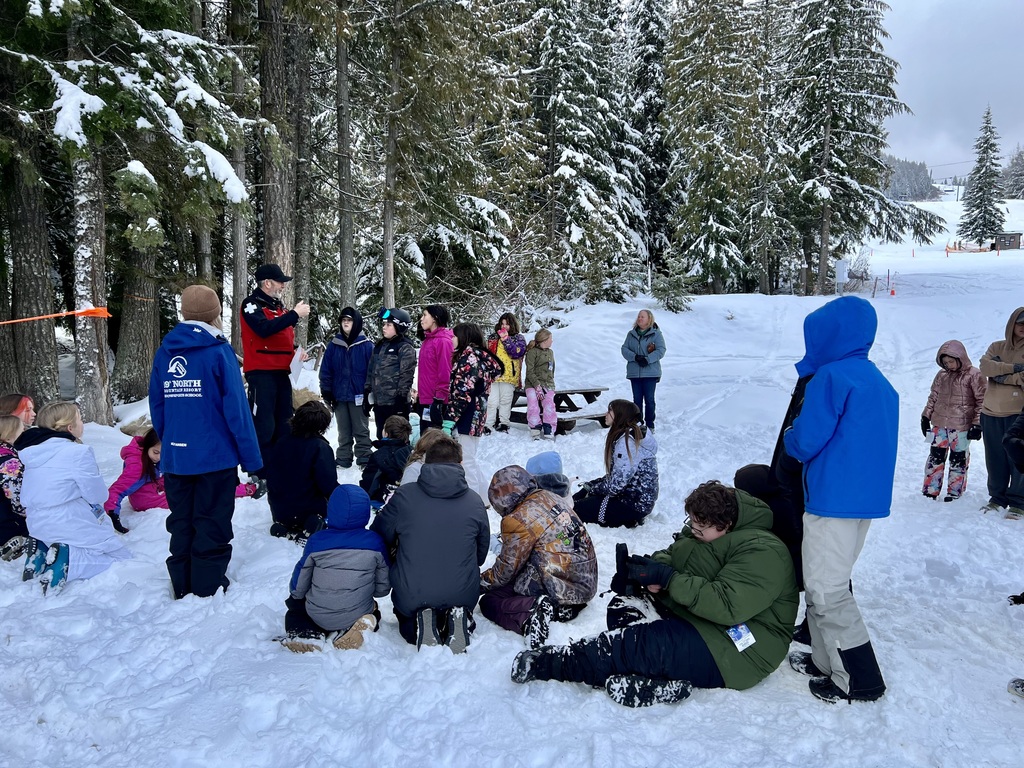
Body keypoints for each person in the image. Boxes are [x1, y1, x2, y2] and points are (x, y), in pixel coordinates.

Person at [511, 480, 798, 708]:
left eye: (699, 528)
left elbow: (727, 604)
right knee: (624, 607)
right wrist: (647, 570)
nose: (692, 531)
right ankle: (662, 676)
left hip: (739, 645)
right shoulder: (706, 529)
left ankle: (552, 663)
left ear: (725, 526)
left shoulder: (763, 551)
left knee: (638, 645)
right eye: (691, 525)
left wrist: (671, 580)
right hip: (697, 618)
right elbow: (673, 554)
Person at [783, 295, 896, 703]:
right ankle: (824, 661)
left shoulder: (830, 377)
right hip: (862, 502)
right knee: (825, 582)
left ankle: (861, 679)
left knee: (828, 591)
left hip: (831, 500)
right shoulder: (876, 379)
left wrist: (790, 436)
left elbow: (806, 441)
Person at [150, 284, 264, 599]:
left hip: (177, 456)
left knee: (182, 519)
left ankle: (181, 581)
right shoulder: (218, 351)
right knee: (211, 519)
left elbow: (157, 406)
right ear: (214, 313)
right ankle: (205, 584)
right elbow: (237, 412)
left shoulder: (165, 350)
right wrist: (252, 460)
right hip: (215, 457)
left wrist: (170, 441)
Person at [369, 435, 490, 653]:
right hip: (463, 593)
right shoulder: (474, 501)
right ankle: (458, 618)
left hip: (412, 593)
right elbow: (481, 555)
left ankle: (418, 625)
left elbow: (378, 534)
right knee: (457, 593)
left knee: (407, 618)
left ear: (425, 463)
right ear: (460, 464)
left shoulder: (404, 496)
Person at [19, 402, 131, 594]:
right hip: (66, 519)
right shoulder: (77, 452)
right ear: (70, 427)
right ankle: (70, 560)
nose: (83, 424)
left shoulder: (32, 452)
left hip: (36, 522)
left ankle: (42, 551)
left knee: (70, 539)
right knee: (119, 557)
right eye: (80, 418)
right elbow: (96, 495)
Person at [480, 466, 597, 647]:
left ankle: (531, 613)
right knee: (508, 586)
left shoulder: (517, 518)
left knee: (491, 601)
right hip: (584, 579)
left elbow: (505, 570)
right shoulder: (549, 496)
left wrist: (479, 583)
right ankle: (562, 608)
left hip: (560, 584)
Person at [282, 484, 390, 653]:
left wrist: (296, 596)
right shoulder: (375, 542)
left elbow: (299, 585)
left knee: (296, 608)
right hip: (357, 611)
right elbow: (382, 589)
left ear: (331, 509)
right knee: (373, 609)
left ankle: (305, 633)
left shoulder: (317, 541)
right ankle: (365, 623)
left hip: (317, 614)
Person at [104, 428, 258, 534]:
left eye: (164, 453)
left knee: (197, 483)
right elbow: (118, 489)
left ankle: (240, 488)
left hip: (157, 488)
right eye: (156, 452)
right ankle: (246, 490)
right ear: (146, 447)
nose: (159, 457)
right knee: (202, 492)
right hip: (149, 499)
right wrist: (112, 514)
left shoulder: (153, 460)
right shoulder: (138, 465)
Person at [240, 264, 310, 487]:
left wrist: (296, 351)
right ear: (267, 283)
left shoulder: (279, 307)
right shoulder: (251, 304)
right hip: (261, 373)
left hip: (281, 371)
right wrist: (294, 315)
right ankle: (258, 470)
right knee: (264, 422)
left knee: (284, 421)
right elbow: (263, 330)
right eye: (280, 281)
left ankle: (280, 465)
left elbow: (279, 337)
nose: (283, 285)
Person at [573, 400, 658, 528]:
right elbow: (618, 477)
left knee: (575, 509)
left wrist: (593, 488)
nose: (605, 414)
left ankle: (626, 519)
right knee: (583, 498)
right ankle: (626, 518)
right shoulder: (628, 436)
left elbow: (616, 486)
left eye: (609, 411)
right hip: (637, 500)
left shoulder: (626, 442)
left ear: (620, 415)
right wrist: (591, 485)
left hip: (632, 504)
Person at [444, 323, 504, 501]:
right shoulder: (475, 357)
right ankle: (486, 498)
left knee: (465, 460)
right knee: (469, 458)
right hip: (475, 416)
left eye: (454, 336)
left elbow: (462, 392)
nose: (451, 339)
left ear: (464, 337)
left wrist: (449, 419)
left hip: (467, 415)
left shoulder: (469, 358)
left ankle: (472, 501)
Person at [920, 340, 985, 502]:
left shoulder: (974, 375)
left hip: (961, 427)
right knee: (935, 457)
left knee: (958, 459)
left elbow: (982, 400)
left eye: (951, 361)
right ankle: (931, 489)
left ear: (960, 357)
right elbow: (933, 397)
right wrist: (926, 416)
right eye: (945, 362)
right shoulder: (941, 376)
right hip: (939, 425)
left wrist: (977, 424)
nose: (949, 365)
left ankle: (954, 492)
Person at [265, 401, 338, 541]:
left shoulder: (281, 443)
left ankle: (285, 526)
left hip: (279, 508)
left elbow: (272, 476)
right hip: (309, 509)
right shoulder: (320, 447)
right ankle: (311, 525)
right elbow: (328, 484)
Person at [978, 307, 1024, 517]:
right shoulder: (996, 346)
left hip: (1018, 414)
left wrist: (1001, 373)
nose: (1023, 327)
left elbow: (995, 372)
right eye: (1020, 323)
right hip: (990, 413)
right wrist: (1017, 369)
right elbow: (986, 368)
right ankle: (997, 497)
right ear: (1012, 323)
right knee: (994, 458)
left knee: (1018, 459)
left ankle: (1019, 502)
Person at [320, 307, 374, 468]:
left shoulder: (366, 345)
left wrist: (368, 392)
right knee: (343, 430)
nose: (346, 323)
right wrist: (326, 391)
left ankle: (364, 456)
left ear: (356, 322)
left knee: (361, 428)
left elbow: (372, 371)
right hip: (339, 394)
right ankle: (343, 457)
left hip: (359, 394)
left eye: (349, 320)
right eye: (343, 320)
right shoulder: (334, 345)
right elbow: (326, 370)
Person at [365, 308, 416, 440]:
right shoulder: (380, 345)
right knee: (381, 435)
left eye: (388, 324)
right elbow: (371, 371)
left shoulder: (405, 347)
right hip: (379, 403)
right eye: (384, 324)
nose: (384, 327)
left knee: (396, 437)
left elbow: (407, 375)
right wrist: (367, 393)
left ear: (399, 326)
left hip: (396, 403)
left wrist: (401, 398)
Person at [620, 309, 666, 431]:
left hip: (650, 372)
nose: (639, 319)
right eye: (639, 317)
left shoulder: (656, 334)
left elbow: (661, 350)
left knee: (649, 400)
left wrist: (647, 359)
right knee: (636, 400)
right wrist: (635, 357)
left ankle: (650, 424)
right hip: (635, 373)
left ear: (649, 319)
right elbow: (624, 349)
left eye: (642, 317)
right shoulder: (631, 334)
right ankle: (637, 424)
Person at [484, 313, 527, 433]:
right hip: (494, 375)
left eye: (507, 324)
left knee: (505, 401)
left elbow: (516, 353)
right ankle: (488, 424)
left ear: (512, 325)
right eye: (502, 324)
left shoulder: (518, 338)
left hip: (509, 376)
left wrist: (506, 339)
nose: (504, 326)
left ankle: (504, 423)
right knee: (492, 402)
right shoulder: (492, 337)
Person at [414, 304, 454, 432]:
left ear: (435, 318)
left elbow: (445, 371)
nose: (421, 319)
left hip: (437, 400)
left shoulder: (443, 341)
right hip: (425, 399)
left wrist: (439, 398)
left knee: (434, 443)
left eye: (425, 315)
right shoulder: (427, 341)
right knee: (424, 440)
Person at [359, 414, 412, 506]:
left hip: (385, 497)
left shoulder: (379, 455)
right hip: (408, 495)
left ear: (386, 433)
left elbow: (370, 480)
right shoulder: (411, 450)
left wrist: (365, 494)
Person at [0, 415, 29, 561]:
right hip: (7, 523)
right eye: (21, 429)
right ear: (10, 433)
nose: (24, 431)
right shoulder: (9, 463)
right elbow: (15, 496)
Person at [523, 329, 557, 440]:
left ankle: (549, 427)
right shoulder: (532, 352)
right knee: (533, 402)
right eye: (550, 338)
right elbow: (530, 372)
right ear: (544, 339)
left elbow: (552, 369)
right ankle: (535, 427)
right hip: (532, 384)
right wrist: (537, 386)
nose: (552, 341)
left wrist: (548, 385)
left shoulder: (550, 352)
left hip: (547, 384)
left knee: (549, 403)